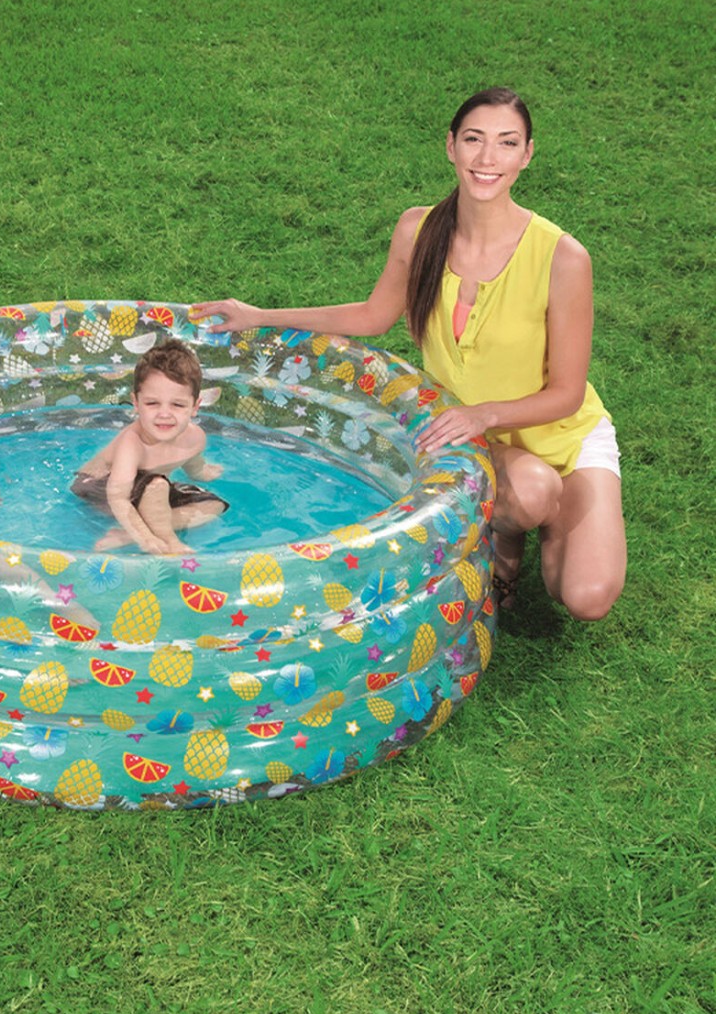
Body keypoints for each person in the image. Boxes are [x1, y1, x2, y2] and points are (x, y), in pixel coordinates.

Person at [191, 87, 625, 620]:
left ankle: (547, 513)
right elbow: (372, 316)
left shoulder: (563, 257)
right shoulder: (418, 230)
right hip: (481, 442)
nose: (488, 158)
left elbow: (567, 394)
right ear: (451, 146)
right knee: (532, 492)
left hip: (562, 437)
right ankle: (512, 531)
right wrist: (259, 315)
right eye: (474, 140)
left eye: (507, 143)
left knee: (586, 597)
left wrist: (483, 414)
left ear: (527, 155)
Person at [72, 338, 228, 554]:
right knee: (157, 485)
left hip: (148, 491)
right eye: (152, 403)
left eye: (177, 404)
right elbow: (118, 497)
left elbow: (193, 466)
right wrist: (145, 539)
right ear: (136, 403)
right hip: (99, 488)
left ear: (195, 406)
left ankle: (125, 535)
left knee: (214, 505)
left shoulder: (195, 438)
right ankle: (169, 541)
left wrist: (202, 472)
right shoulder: (133, 443)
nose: (164, 414)